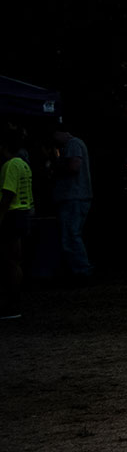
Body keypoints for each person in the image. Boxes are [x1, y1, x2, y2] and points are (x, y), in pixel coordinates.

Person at [49, 125, 92, 280]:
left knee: (71, 235)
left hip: (73, 196)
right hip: (75, 196)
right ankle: (79, 269)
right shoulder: (74, 144)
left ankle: (81, 271)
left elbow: (74, 167)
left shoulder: (73, 144)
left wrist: (55, 166)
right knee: (72, 235)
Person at [1, 125, 31, 319]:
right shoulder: (23, 164)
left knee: (9, 262)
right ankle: (14, 303)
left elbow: (7, 194)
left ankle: (11, 305)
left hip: (12, 215)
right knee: (15, 261)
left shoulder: (10, 165)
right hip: (23, 213)